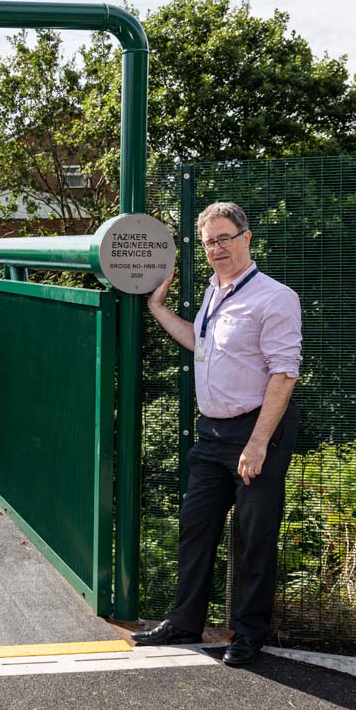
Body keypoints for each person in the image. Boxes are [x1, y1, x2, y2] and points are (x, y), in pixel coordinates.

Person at [133, 202, 301, 667]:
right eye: (209, 242)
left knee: (253, 536)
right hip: (210, 435)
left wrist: (258, 442)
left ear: (247, 238)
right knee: (196, 526)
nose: (217, 248)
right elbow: (199, 342)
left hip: (255, 431)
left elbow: (284, 374)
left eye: (225, 238)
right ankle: (185, 620)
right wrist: (156, 307)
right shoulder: (213, 292)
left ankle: (248, 634)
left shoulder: (274, 297)